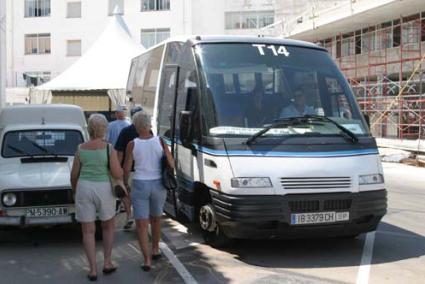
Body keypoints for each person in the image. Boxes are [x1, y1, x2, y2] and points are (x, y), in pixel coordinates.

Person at [70, 114, 123, 281]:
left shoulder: (80, 148)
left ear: (89, 129)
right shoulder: (109, 148)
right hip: (104, 189)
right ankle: (107, 262)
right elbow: (117, 173)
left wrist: (75, 190)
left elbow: (74, 175)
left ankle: (92, 269)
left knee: (88, 230)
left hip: (84, 188)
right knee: (108, 226)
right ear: (104, 130)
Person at [123, 111, 174, 272]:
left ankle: (146, 260)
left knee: (142, 224)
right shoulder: (160, 141)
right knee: (156, 219)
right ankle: (156, 249)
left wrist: (125, 183)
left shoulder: (132, 144)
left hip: (139, 184)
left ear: (136, 127)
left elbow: (126, 168)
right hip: (158, 184)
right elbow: (171, 163)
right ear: (149, 125)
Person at [114, 106, 143, 230]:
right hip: (142, 170)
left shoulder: (126, 131)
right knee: (139, 196)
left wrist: (117, 168)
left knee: (125, 193)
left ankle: (129, 216)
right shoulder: (147, 131)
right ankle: (140, 219)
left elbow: (119, 152)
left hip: (128, 169)